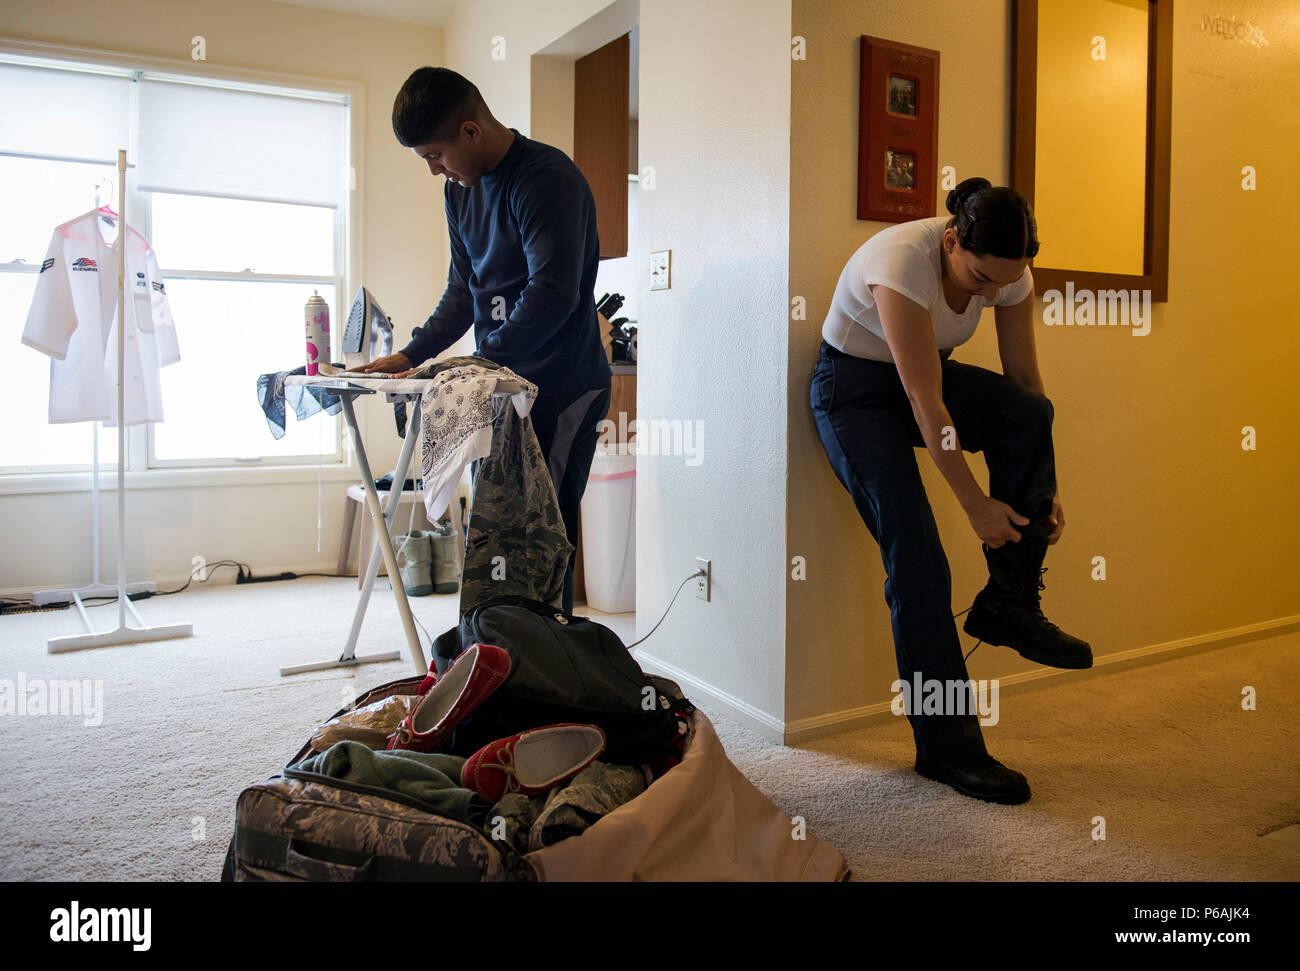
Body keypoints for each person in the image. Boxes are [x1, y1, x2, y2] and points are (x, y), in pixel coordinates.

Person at [810, 177, 1092, 805]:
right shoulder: (899, 264)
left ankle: (1010, 602)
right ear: (950, 239)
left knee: (1027, 414)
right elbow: (923, 400)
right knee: (918, 564)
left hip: (919, 380)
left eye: (1004, 282)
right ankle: (948, 750)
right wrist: (974, 504)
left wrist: (1042, 488)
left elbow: (1024, 381)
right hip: (855, 394)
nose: (992, 293)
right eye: (979, 281)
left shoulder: (1008, 271)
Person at [358, 67, 612, 617]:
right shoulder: (460, 191)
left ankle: (551, 673)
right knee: (497, 534)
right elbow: (462, 294)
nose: (434, 171)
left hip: (562, 388)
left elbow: (553, 292)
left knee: (546, 537)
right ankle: (504, 662)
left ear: (471, 132)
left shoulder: (546, 179)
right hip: (496, 390)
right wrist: (411, 355)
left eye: (435, 155)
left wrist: (475, 362)